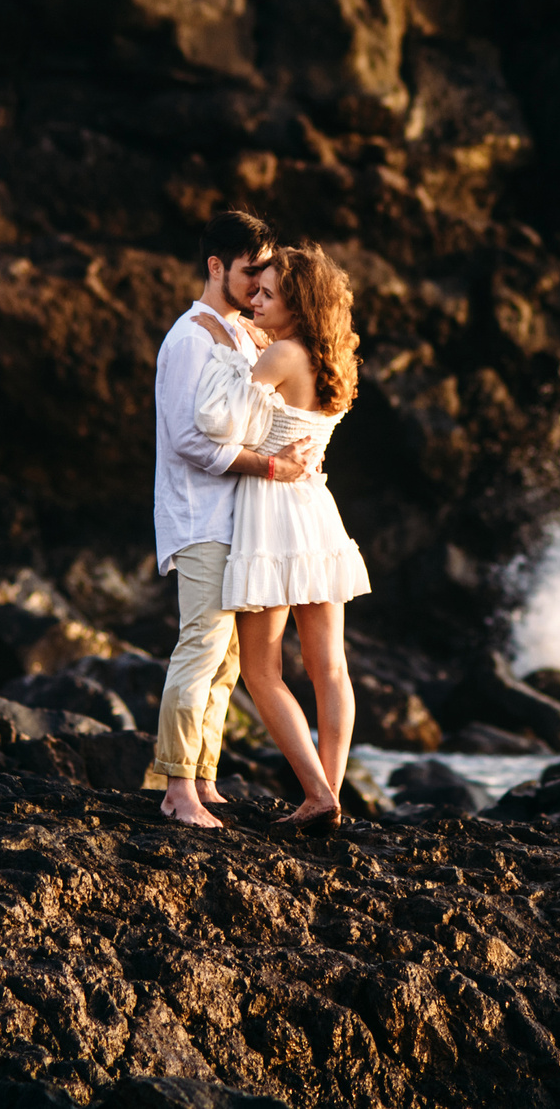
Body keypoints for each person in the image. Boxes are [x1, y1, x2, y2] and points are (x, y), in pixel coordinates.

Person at [189, 241, 371, 828]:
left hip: (271, 513)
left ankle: (317, 796)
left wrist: (225, 354)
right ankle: (330, 794)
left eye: (268, 294)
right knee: (330, 668)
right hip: (316, 511)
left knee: (262, 670)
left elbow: (217, 420)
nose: (255, 301)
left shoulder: (279, 356)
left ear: (297, 304)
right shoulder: (333, 356)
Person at [150, 209, 319, 829]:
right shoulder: (190, 338)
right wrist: (271, 468)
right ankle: (176, 789)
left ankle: (204, 778)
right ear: (216, 266)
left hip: (245, 521)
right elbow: (190, 441)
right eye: (249, 273)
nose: (257, 288)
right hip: (199, 516)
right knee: (199, 649)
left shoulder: (246, 336)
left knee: (227, 662)